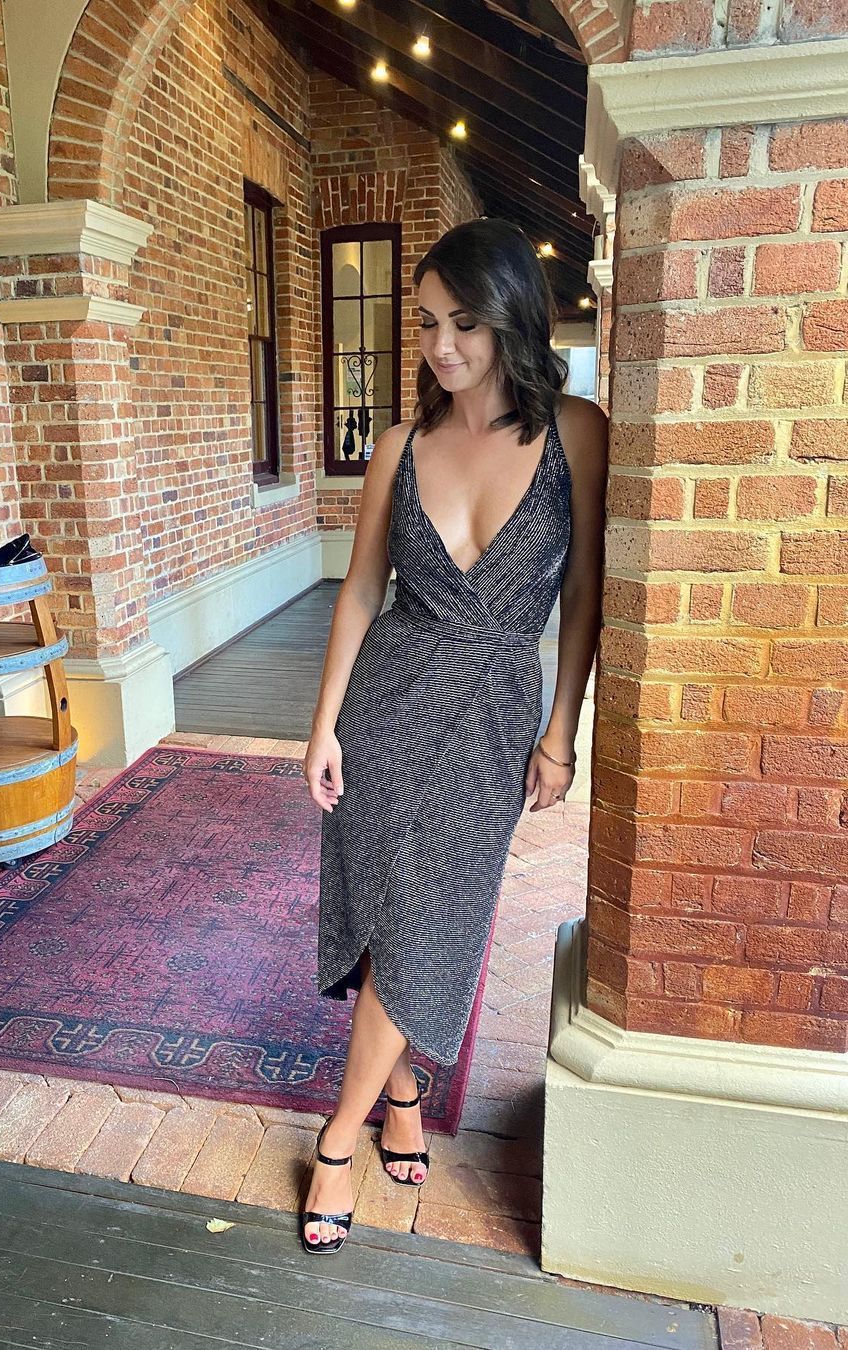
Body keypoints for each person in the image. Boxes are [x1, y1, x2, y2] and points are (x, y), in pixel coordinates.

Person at [298, 217, 608, 1255]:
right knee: (388, 905)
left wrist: (562, 730)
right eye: (427, 321)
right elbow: (359, 591)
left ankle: (338, 1135)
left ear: (511, 317)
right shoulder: (399, 447)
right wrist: (323, 726)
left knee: (435, 916)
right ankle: (390, 1103)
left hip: (491, 714)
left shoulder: (577, 433)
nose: (441, 344)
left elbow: (583, 593)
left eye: (465, 322)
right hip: (386, 703)